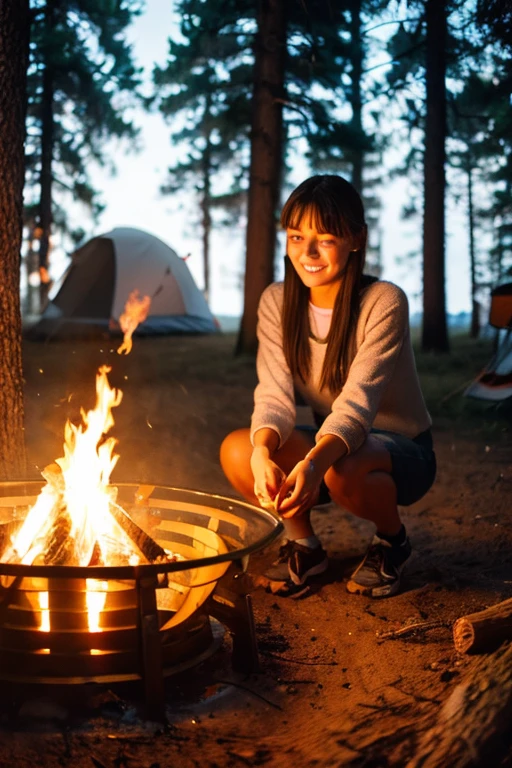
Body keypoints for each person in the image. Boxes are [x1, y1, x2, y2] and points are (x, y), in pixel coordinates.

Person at [220, 174, 436, 598]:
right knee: (238, 450)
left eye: (326, 238)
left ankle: (393, 542)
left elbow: (357, 405)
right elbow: (274, 394)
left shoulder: (383, 301)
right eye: (297, 237)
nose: (309, 252)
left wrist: (315, 463)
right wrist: (263, 453)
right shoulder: (277, 302)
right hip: (333, 447)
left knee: (344, 464)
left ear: (356, 238)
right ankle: (303, 545)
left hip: (399, 452)